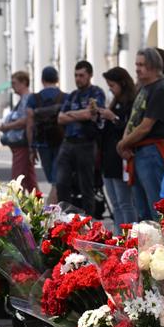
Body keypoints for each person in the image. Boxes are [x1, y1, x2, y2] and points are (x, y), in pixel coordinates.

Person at [118, 48, 164, 221]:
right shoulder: (144, 88)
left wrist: (123, 144)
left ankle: (163, 247)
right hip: (139, 152)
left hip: (151, 152)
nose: (137, 68)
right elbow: (133, 119)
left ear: (153, 66)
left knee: (156, 206)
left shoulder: (160, 89)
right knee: (142, 209)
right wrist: (125, 142)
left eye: (141, 64)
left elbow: (145, 126)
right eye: (136, 64)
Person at [57, 61, 106, 216]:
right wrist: (79, 114)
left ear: (89, 75)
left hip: (86, 143)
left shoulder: (96, 93)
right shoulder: (72, 95)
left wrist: (71, 114)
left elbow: (90, 114)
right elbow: (60, 118)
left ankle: (87, 220)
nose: (78, 79)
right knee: (61, 182)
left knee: (86, 185)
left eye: (81, 75)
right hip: (68, 143)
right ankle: (64, 218)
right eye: (76, 75)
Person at [99, 67, 138, 232]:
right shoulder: (115, 103)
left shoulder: (130, 104)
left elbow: (129, 129)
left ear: (122, 83)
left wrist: (112, 118)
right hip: (109, 157)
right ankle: (118, 233)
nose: (110, 89)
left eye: (112, 85)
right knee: (115, 202)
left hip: (121, 158)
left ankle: (128, 234)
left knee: (125, 202)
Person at [27, 66, 67, 203]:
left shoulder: (33, 99)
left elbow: (30, 124)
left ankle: (50, 208)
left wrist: (31, 148)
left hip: (42, 143)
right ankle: (56, 208)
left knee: (53, 180)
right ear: (57, 79)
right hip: (62, 142)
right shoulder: (65, 97)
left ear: (42, 80)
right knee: (58, 179)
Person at [0, 71, 38, 192]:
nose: (12, 86)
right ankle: (37, 201)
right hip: (23, 142)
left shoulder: (27, 98)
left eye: (14, 83)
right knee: (28, 176)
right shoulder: (25, 98)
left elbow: (26, 120)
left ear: (24, 83)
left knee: (18, 176)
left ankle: (17, 205)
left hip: (22, 142)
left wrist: (8, 126)